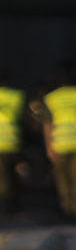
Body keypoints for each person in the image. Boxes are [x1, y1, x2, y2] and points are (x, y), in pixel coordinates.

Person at [41, 64, 76, 218]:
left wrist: (48, 146)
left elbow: (47, 124)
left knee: (63, 180)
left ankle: (67, 209)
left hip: (60, 143)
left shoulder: (51, 98)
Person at [0, 68, 23, 217]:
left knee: (3, 179)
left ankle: (7, 208)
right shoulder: (17, 96)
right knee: (14, 176)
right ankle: (15, 205)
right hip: (14, 142)